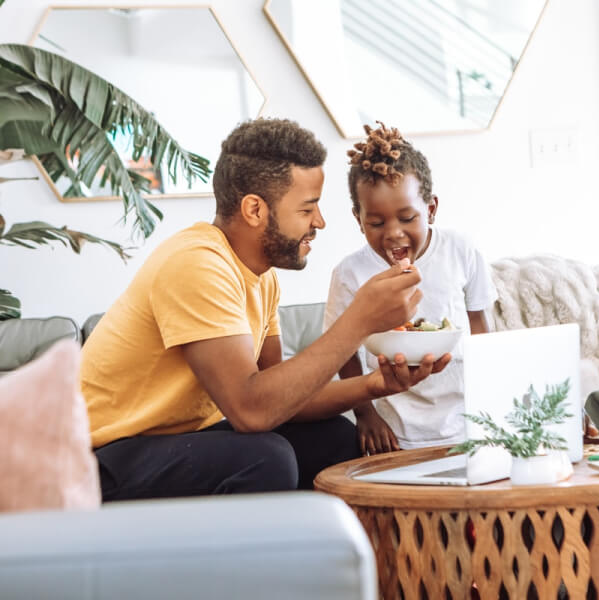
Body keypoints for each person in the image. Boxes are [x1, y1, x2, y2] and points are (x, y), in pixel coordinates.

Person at [81, 117, 449, 501]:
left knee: (336, 439)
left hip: (171, 443)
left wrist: (374, 385)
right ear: (255, 210)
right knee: (265, 459)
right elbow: (251, 411)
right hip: (101, 458)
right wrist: (360, 320)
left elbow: (281, 398)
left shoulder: (262, 277)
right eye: (307, 209)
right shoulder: (196, 264)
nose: (320, 222)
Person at [323, 122, 498, 455]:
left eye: (407, 218)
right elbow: (343, 354)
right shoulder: (350, 274)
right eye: (376, 222)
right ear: (358, 219)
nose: (393, 233)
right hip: (396, 430)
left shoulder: (461, 249)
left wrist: (493, 403)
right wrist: (365, 415)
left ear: (430, 209)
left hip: (468, 422)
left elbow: (481, 326)